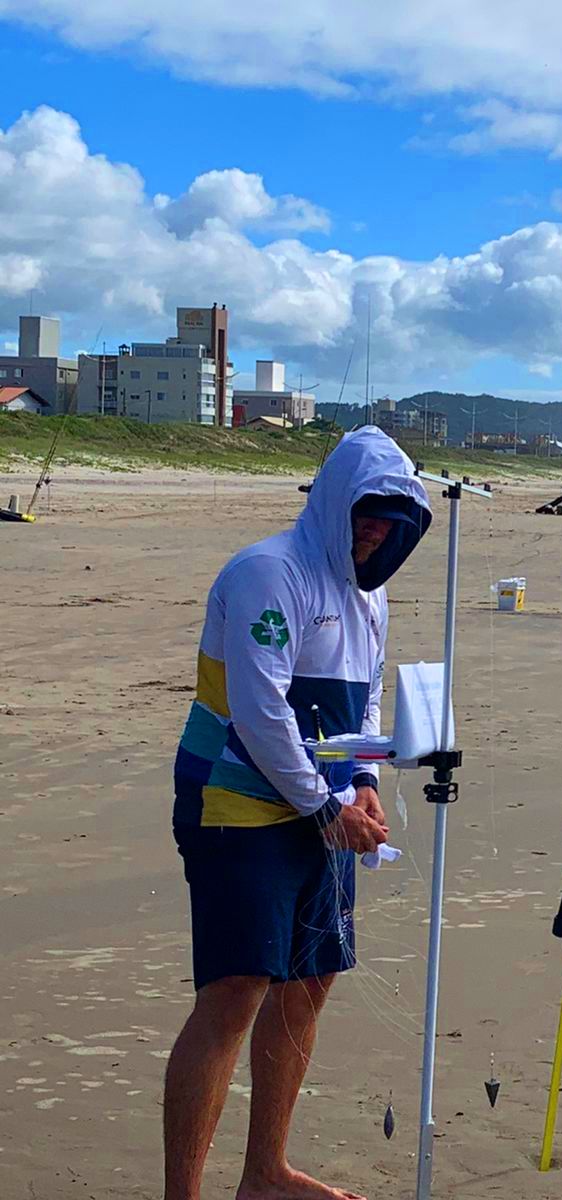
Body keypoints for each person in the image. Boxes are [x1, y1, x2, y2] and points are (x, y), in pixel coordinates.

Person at [165, 427, 430, 1200]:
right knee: (236, 989)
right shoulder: (268, 573)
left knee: (310, 981)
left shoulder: (371, 596)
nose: (375, 531)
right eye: (366, 514)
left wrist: (364, 780)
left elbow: (366, 698)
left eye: (392, 522)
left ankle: (265, 1174)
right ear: (335, 502)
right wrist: (324, 805)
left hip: (324, 808)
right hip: (235, 803)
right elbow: (258, 711)